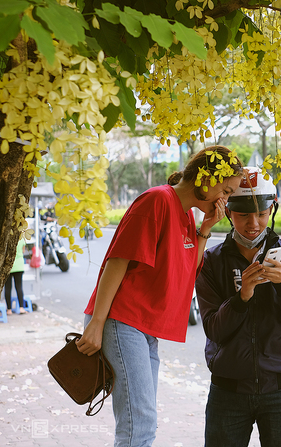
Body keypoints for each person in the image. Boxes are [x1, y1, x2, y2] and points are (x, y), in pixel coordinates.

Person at [76, 146, 243, 446]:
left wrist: (205, 230)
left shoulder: (188, 218)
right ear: (206, 177)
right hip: (122, 322)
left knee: (143, 423)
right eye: (227, 190)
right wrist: (96, 323)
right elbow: (118, 260)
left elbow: (187, 276)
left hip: (144, 329)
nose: (226, 201)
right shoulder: (158, 199)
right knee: (138, 424)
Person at [196, 167, 281, 447]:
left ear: (272, 209)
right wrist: (242, 297)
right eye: (243, 215)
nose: (253, 224)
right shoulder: (212, 261)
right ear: (228, 213)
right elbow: (213, 329)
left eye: (261, 214)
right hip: (228, 388)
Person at [4, 237, 27, 315]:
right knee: (19, 287)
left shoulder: (6, 238)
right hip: (19, 265)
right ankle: (21, 308)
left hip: (8, 266)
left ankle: (9, 310)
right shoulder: (21, 238)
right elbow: (23, 251)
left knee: (7, 288)